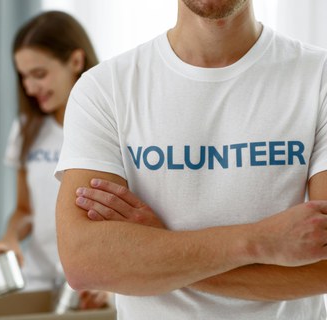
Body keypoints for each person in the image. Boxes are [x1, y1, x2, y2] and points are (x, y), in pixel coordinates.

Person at [54, 1, 327, 319]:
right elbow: (85, 262)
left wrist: (158, 250)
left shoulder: (318, 77)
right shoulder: (104, 89)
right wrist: (260, 241)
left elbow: (322, 268)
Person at [0, 11, 108, 309]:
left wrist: (114, 285)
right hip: (37, 278)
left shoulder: (111, 129)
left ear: (75, 61)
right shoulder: (25, 130)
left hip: (92, 284)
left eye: (39, 74)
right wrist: (9, 238)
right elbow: (25, 209)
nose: (30, 88)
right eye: (23, 77)